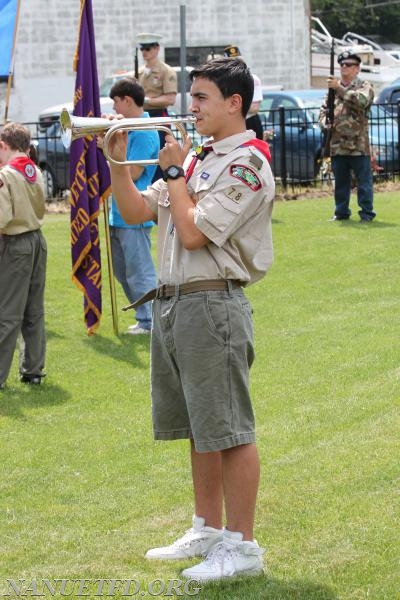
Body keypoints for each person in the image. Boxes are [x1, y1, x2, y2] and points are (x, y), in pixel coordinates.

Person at [108, 57, 274, 581]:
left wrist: (176, 170)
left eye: (201, 98)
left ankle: (242, 547)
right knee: (200, 428)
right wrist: (118, 164)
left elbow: (196, 233)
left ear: (234, 103)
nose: (190, 107)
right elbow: (137, 211)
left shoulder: (247, 163)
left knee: (229, 427)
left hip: (213, 302)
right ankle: (207, 527)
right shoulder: (199, 157)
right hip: (176, 302)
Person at [104, 76, 159, 335]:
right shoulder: (130, 128)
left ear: (127, 100)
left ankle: (151, 320)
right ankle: (144, 316)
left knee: (140, 271)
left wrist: (111, 153)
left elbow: (134, 172)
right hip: (119, 213)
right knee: (123, 271)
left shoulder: (145, 131)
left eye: (116, 102)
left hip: (135, 213)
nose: (114, 109)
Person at [0, 122, 47, 390]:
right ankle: (33, 369)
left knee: (7, 311)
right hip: (37, 240)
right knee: (33, 309)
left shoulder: (6, 175)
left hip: (13, 243)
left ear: (3, 146)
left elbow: (3, 217)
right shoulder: (34, 170)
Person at [319, 51, 376, 222]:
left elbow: (362, 102)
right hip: (337, 144)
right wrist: (324, 123)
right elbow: (323, 111)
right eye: (342, 65)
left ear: (357, 69)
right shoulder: (332, 91)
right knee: (341, 184)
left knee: (363, 183)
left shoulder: (364, 86)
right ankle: (341, 212)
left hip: (358, 145)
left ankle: (366, 213)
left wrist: (339, 88)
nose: (344, 67)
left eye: (349, 65)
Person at [136, 32, 178, 182]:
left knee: (160, 154)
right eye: (142, 49)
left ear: (156, 49)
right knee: (142, 153)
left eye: (148, 49)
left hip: (158, 116)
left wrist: (145, 100)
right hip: (141, 117)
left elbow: (170, 98)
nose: (144, 52)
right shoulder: (139, 72)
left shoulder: (166, 71)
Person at [224, 44, 264, 140]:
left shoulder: (252, 79)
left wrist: (231, 107)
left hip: (249, 122)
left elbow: (255, 107)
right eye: (231, 62)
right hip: (230, 124)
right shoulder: (223, 82)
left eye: (238, 61)